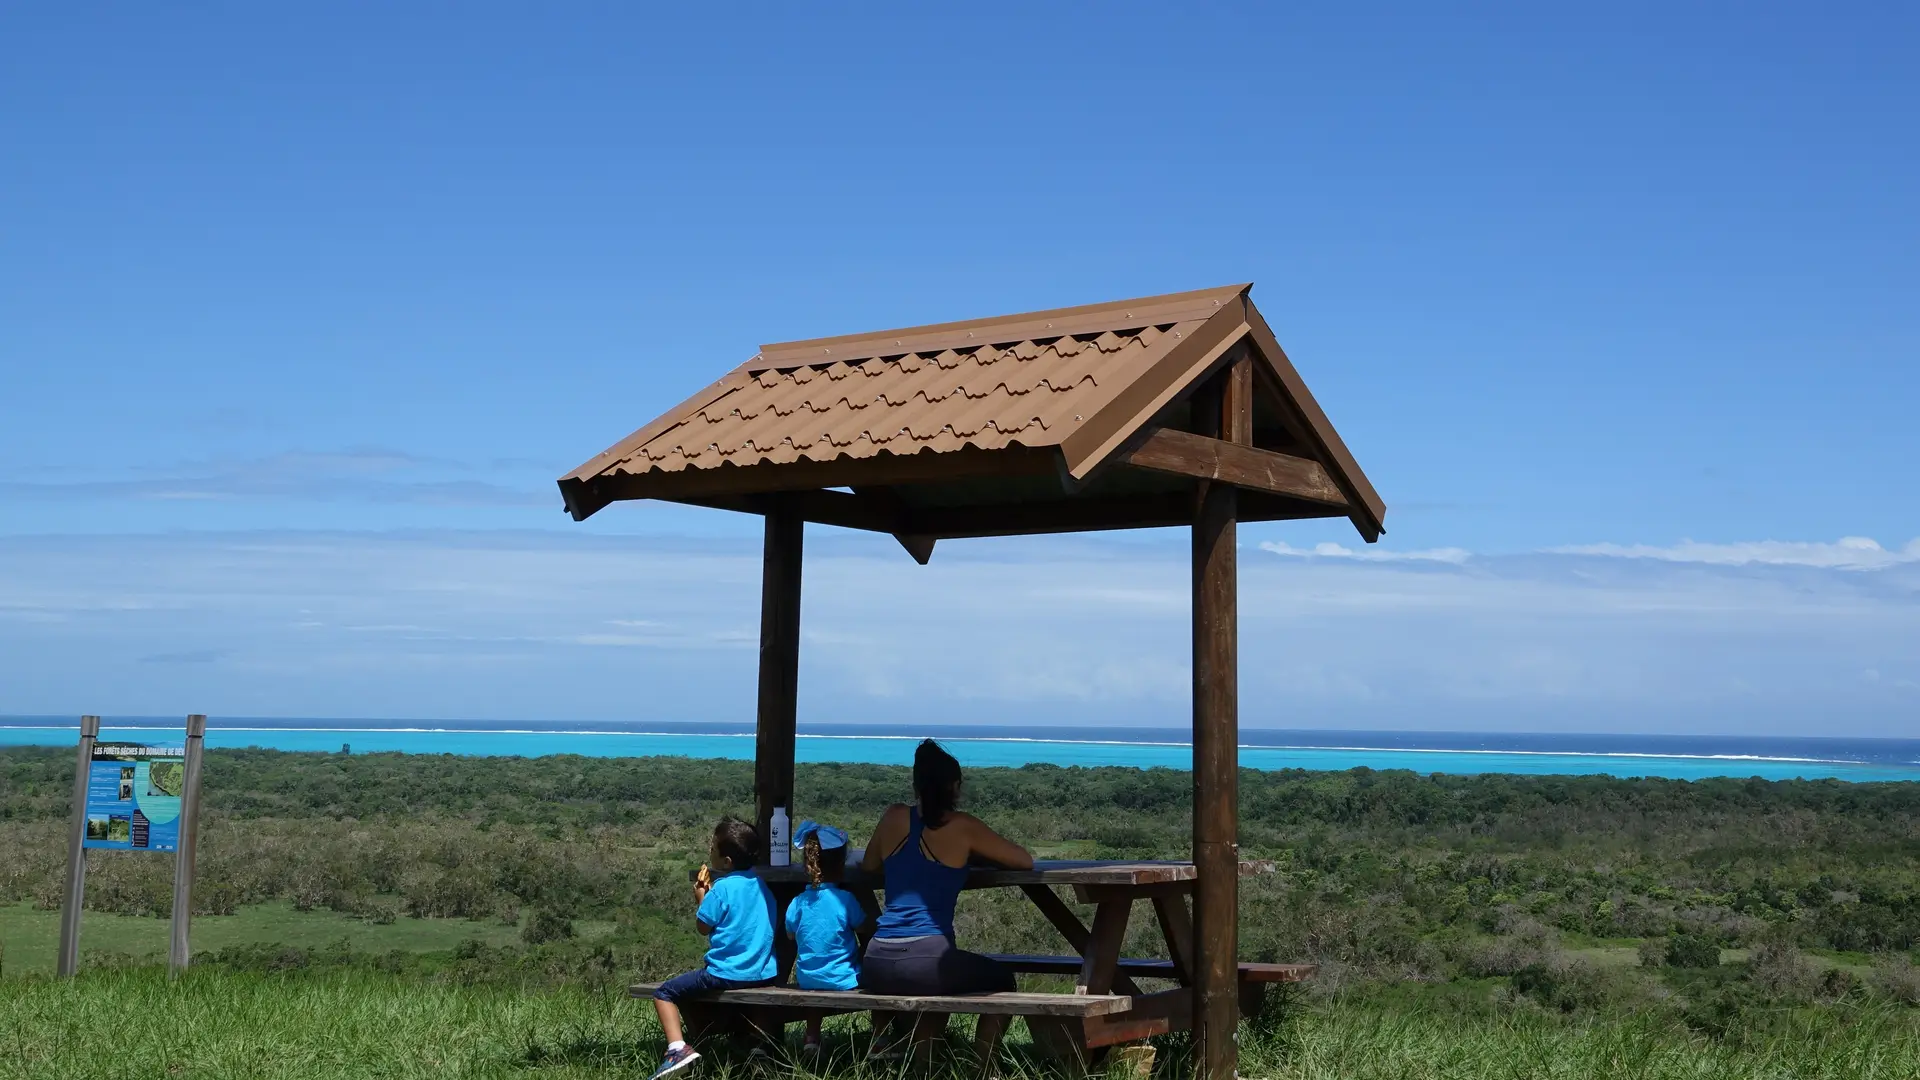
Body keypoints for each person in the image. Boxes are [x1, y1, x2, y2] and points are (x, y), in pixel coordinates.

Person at [860, 739, 1033, 1054]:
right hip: (928, 961)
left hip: (876, 961)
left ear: (916, 785)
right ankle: (983, 1068)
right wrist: (972, 854)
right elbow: (1024, 861)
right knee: (1002, 981)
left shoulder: (893, 817)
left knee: (939, 983)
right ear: (954, 786)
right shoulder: (963, 827)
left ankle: (921, 1062)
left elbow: (870, 864)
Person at [648, 815, 778, 1080]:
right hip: (762, 973)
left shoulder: (721, 889)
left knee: (664, 993)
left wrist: (702, 898)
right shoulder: (762, 886)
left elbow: (703, 926)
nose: (710, 851)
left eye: (713, 848)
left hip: (725, 973)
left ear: (727, 862)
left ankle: (677, 1050)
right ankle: (757, 1044)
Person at [783, 820, 869, 1058]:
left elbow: (790, 934)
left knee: (816, 977)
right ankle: (881, 1036)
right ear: (841, 865)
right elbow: (864, 929)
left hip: (807, 978)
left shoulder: (797, 903)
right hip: (845, 979)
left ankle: (811, 1037)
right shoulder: (846, 900)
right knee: (876, 961)